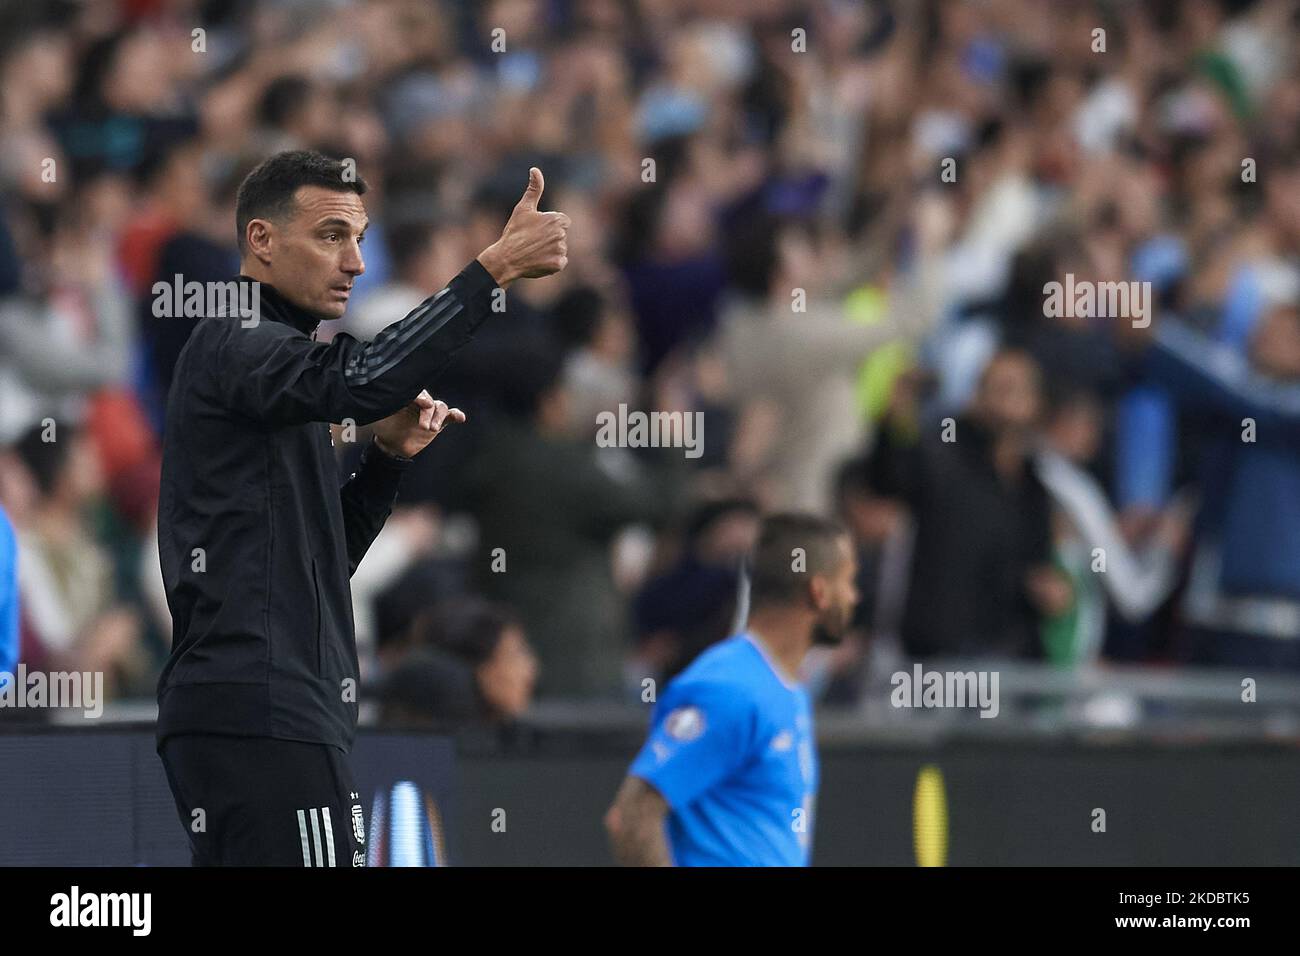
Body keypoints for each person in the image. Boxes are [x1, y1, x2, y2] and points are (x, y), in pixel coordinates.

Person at [155, 149, 569, 866]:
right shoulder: (239, 339)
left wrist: (386, 461)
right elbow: (368, 377)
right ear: (261, 239)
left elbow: (323, 563)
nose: (354, 262)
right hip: (266, 715)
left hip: (251, 712)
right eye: (331, 236)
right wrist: (492, 270)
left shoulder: (266, 367)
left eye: (359, 238)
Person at [604, 513, 859, 866]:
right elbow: (633, 815)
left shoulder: (787, 687)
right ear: (819, 592)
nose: (854, 596)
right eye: (848, 581)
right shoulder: (730, 688)